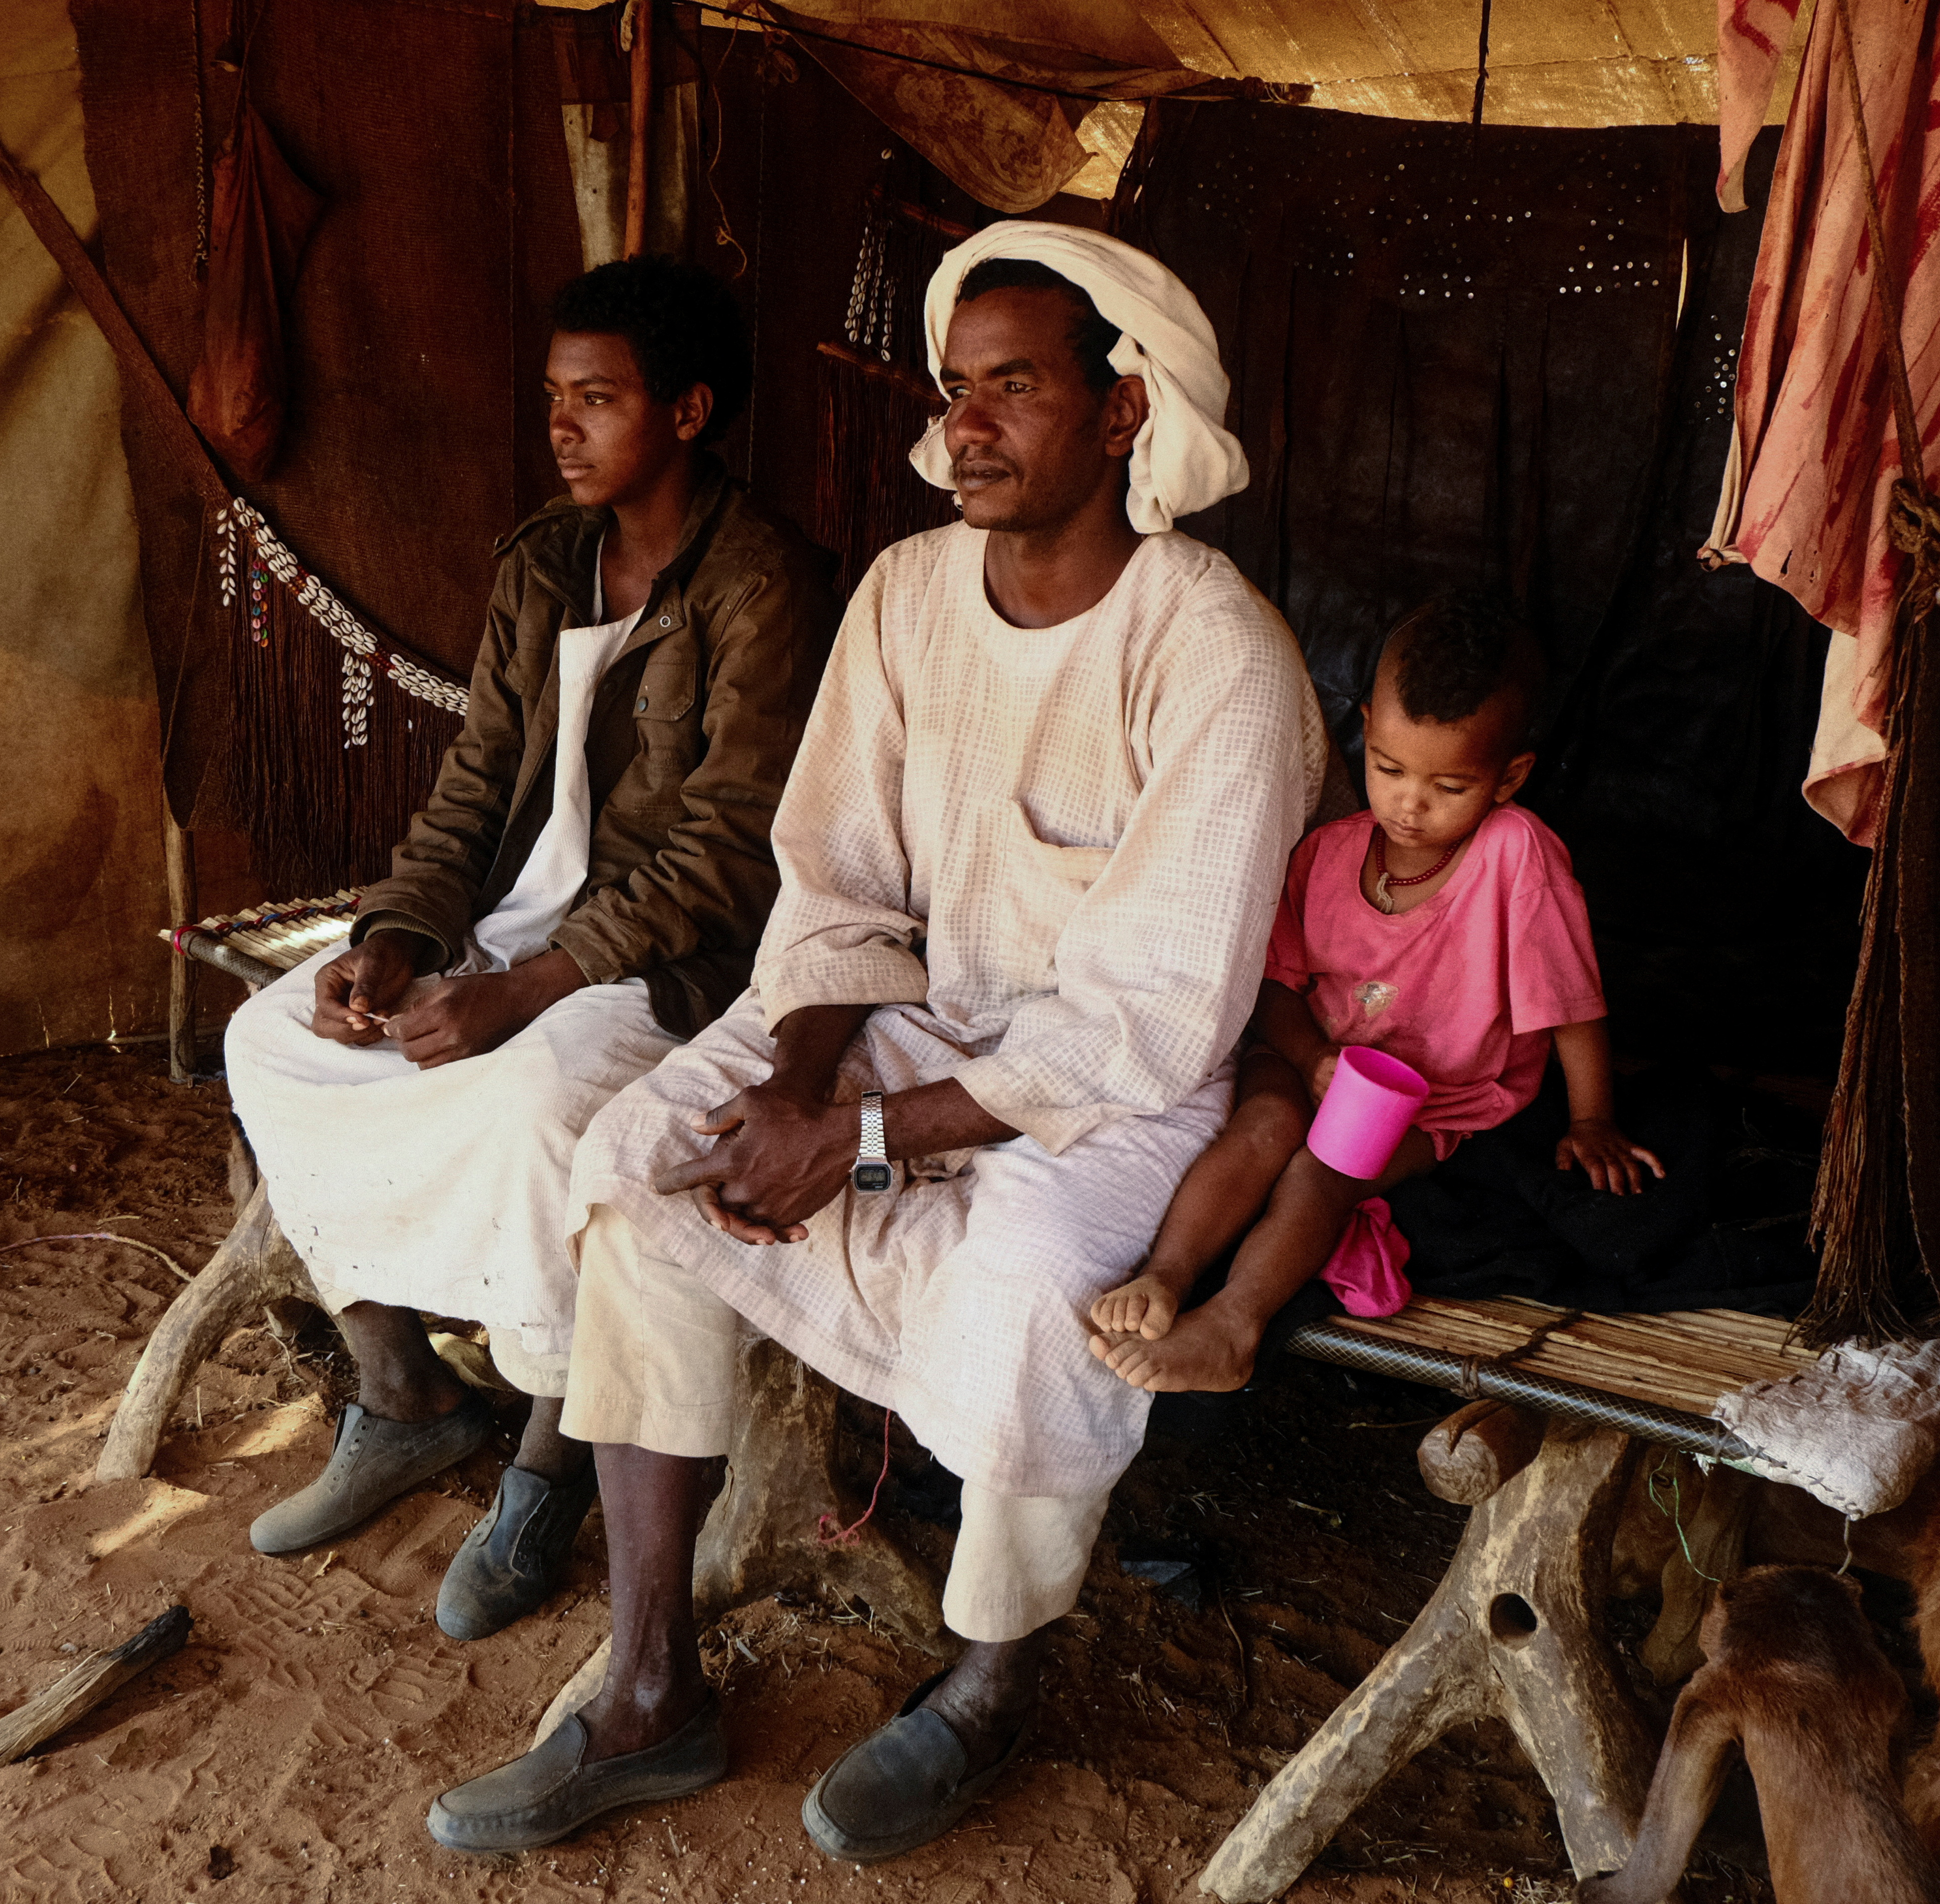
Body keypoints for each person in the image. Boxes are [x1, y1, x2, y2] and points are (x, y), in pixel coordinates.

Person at [416, 224, 1329, 1861]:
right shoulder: (910, 595)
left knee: (1028, 1281)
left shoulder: (1217, 657)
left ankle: (991, 1680)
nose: (968, 427)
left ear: (1124, 416)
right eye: (956, 388)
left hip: (1119, 1085)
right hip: (907, 1021)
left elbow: (1145, 1015)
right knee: (641, 1163)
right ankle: (649, 1693)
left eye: (1017, 389)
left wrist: (862, 1142)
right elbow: (835, 883)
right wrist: (793, 1079)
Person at [221, 258, 838, 1644]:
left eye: (597, 400)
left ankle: (549, 1462)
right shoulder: (542, 562)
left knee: (541, 1102)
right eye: (554, 398)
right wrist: (393, 937)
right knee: (275, 1040)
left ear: (687, 411)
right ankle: (404, 1400)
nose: (561, 427)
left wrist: (535, 986)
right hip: (516, 935)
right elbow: (471, 784)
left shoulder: (765, 584)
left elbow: (733, 849)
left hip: (675, 964)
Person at [1087, 590, 1662, 1393]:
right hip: (1312, 1051)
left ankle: (1234, 1325)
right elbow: (1277, 989)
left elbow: (1572, 1002)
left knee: (1323, 1171)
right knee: (1265, 1123)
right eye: (1387, 768)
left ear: (1510, 778)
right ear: (1363, 728)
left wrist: (1592, 1118)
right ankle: (1169, 1278)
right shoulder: (1326, 853)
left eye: (1450, 785)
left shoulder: (1516, 858)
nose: (1409, 804)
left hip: (1438, 1097)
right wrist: (1311, 1058)